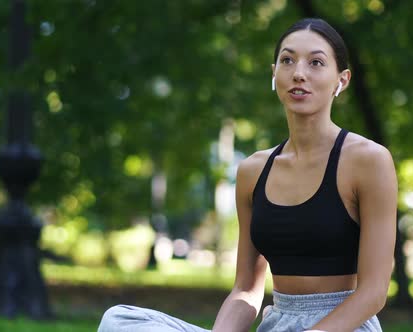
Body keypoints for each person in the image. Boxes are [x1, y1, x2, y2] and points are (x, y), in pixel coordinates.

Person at [98, 17, 397, 332]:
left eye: (316, 63)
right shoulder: (253, 171)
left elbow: (373, 293)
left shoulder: (369, 161)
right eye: (287, 60)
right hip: (277, 323)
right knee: (120, 321)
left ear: (342, 80)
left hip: (343, 327)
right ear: (274, 74)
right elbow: (246, 289)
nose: (299, 73)